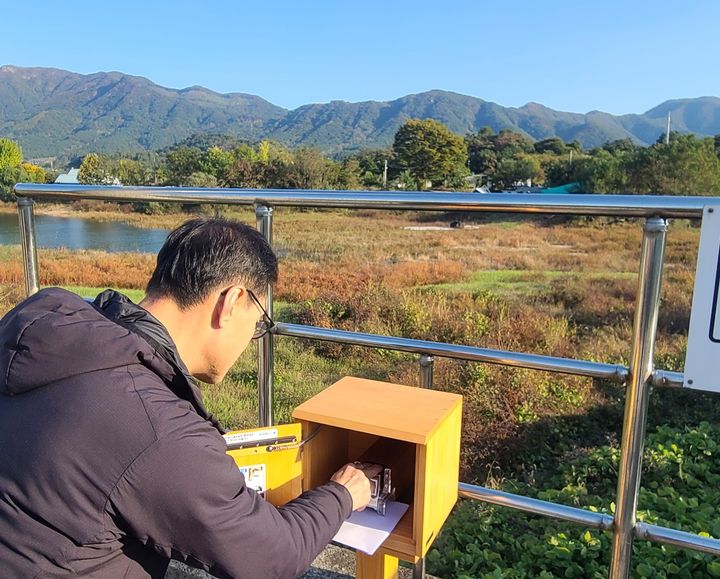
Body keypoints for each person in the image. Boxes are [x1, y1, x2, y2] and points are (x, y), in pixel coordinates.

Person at [0, 218, 371, 579]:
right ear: (231, 302)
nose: (252, 335)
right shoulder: (157, 428)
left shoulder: (47, 327)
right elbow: (272, 558)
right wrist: (342, 494)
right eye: (258, 322)